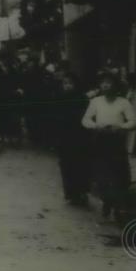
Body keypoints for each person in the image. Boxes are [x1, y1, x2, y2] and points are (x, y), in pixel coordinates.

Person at [82, 72, 136, 220]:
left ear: (116, 85)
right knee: (102, 174)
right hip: (100, 140)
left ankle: (120, 206)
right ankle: (107, 201)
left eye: (109, 82)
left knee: (120, 174)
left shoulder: (123, 102)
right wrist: (95, 126)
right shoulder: (96, 102)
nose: (106, 85)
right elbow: (85, 119)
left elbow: (133, 121)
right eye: (103, 83)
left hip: (117, 141)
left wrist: (121, 127)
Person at [50, 73, 92, 206]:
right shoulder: (58, 99)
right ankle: (71, 193)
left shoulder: (82, 99)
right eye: (65, 84)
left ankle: (82, 191)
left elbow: (87, 117)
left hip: (80, 137)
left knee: (82, 164)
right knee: (67, 165)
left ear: (76, 85)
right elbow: (54, 119)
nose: (67, 86)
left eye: (70, 83)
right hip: (64, 138)